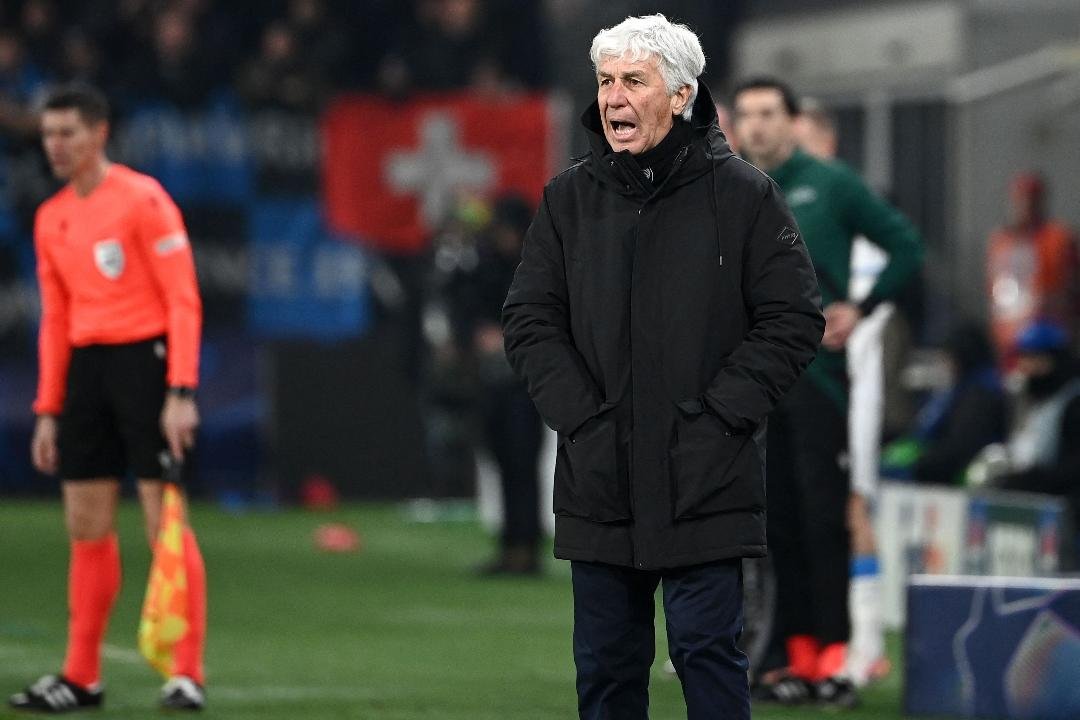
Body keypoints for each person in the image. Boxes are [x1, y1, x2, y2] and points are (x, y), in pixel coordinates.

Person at [503, 16, 824, 719]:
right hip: (600, 475)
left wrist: (720, 417)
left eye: (633, 81)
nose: (613, 98)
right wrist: (583, 420)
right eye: (605, 81)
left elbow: (794, 318)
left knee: (707, 654)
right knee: (607, 669)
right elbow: (529, 320)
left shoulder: (745, 197)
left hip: (706, 474)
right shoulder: (568, 199)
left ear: (680, 95)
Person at [9, 84, 206, 713]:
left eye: (67, 132)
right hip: (87, 376)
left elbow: (182, 299)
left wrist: (180, 389)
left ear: (100, 133)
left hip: (144, 366)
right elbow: (55, 320)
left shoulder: (143, 200)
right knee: (86, 526)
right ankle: (80, 675)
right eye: (47, 134)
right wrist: (47, 407)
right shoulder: (51, 217)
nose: (55, 146)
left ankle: (186, 672)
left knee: (162, 523)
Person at [733, 77, 924, 707]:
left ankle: (838, 659)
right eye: (748, 115)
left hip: (820, 386)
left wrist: (860, 308)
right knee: (776, 527)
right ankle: (795, 658)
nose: (757, 126)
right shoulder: (731, 188)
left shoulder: (831, 185)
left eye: (769, 114)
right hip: (759, 386)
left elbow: (905, 246)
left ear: (791, 121)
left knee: (824, 522)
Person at [446, 195, 545, 575]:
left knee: (521, 462)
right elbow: (462, 305)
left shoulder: (537, 266)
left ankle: (526, 547)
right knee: (503, 460)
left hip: (526, 382)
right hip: (493, 382)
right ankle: (511, 545)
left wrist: (508, 335)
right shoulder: (485, 265)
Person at [881, 322, 1009, 485]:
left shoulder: (980, 396)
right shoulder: (958, 389)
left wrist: (919, 465)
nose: (945, 365)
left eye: (948, 358)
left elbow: (958, 448)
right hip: (933, 461)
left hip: (955, 476)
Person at [987, 173, 1079, 369]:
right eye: (1019, 199)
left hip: (1048, 334)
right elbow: (997, 290)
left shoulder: (1057, 238)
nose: (1024, 206)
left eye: (1030, 199)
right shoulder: (1002, 241)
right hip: (1010, 335)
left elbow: (1070, 285)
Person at [998, 321, 1080, 533]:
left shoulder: (1072, 401)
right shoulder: (1033, 398)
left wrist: (1036, 479)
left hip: (1065, 507)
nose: (1027, 367)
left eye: (1034, 358)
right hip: (1035, 500)